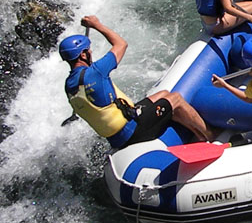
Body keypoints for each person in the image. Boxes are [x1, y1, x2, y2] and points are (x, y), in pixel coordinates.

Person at [60, 15, 215, 148]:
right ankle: (211, 136)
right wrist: (96, 25)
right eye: (88, 50)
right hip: (132, 131)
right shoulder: (96, 72)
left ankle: (198, 135)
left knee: (163, 94)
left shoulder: (69, 84)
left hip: (118, 136)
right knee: (176, 99)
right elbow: (121, 44)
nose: (91, 52)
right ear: (83, 55)